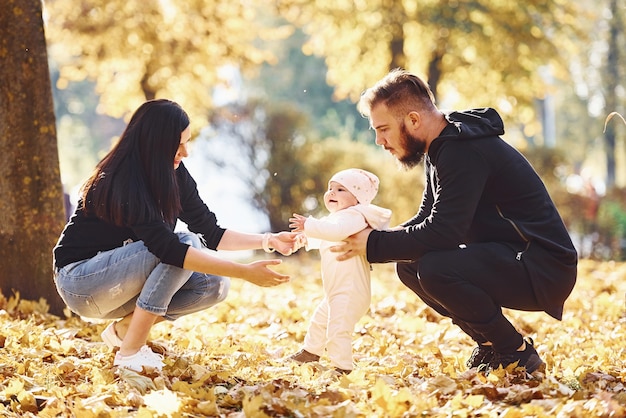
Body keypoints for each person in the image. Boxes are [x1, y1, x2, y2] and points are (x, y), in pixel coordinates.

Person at [333, 69, 577, 375]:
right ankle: (490, 345)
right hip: (512, 255)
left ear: (413, 120)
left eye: (383, 129)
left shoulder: (461, 150)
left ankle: (515, 351)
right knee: (408, 265)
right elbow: (425, 218)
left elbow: (444, 232)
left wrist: (375, 244)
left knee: (436, 269)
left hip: (543, 265)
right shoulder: (440, 148)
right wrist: (372, 237)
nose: (380, 141)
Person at [53, 99, 298, 372]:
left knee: (213, 285)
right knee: (183, 244)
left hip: (119, 286)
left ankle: (124, 330)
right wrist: (245, 272)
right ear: (156, 141)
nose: (186, 152)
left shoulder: (174, 173)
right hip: (80, 282)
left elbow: (211, 232)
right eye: (178, 144)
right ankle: (130, 352)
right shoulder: (122, 179)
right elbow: (170, 250)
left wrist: (268, 240)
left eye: (187, 142)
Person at [287, 168, 392, 373]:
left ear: (357, 198)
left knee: (338, 329)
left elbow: (336, 232)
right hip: (336, 290)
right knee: (320, 321)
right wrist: (305, 238)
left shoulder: (355, 216)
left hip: (351, 291)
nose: (332, 193)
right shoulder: (336, 218)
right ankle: (310, 352)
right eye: (330, 188)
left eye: (341, 189)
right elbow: (326, 234)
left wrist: (309, 224)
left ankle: (342, 368)